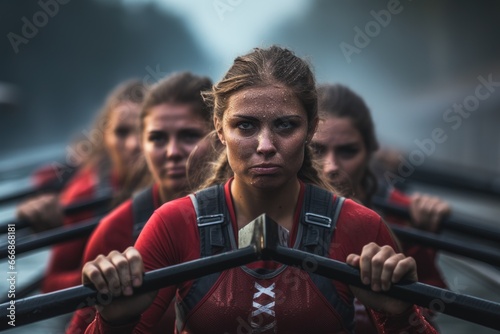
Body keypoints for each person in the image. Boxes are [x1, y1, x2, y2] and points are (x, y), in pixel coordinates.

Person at [82, 46, 438, 333]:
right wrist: (114, 322)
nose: (265, 145)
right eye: (246, 126)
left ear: (312, 129)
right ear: (220, 130)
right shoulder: (170, 224)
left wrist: (401, 316)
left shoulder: (362, 227)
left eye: (285, 125)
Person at [66, 72, 213, 333]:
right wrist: (113, 319)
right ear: (143, 145)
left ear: (219, 137)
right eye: (157, 138)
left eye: (189, 135)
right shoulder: (115, 229)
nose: (171, 152)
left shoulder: (254, 207)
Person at [311, 83, 450, 332]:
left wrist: (423, 240)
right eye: (317, 150)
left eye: (347, 151)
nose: (331, 166)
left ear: (368, 153)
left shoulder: (403, 212)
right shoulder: (272, 206)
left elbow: (433, 310)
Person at [41, 79, 146, 293]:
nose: (134, 144)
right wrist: (95, 278)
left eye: (143, 130)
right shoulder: (84, 193)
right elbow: (51, 284)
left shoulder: (181, 181)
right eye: (122, 132)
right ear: (105, 138)